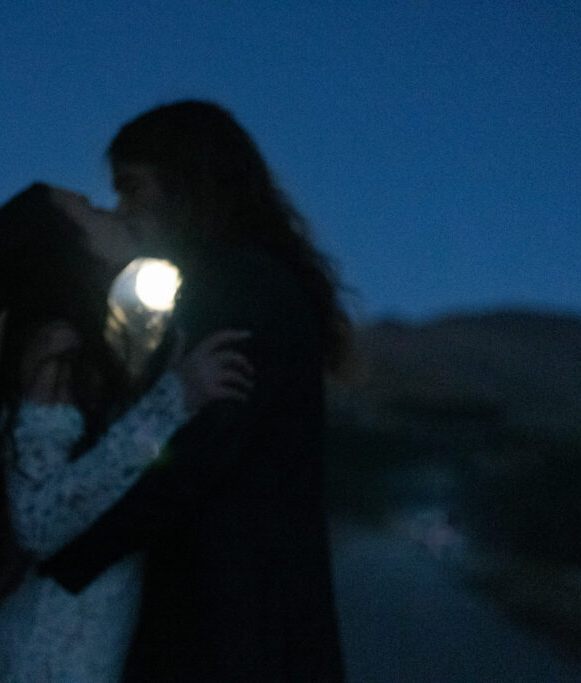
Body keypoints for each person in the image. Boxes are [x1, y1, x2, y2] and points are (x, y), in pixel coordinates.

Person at [39, 101, 352, 681]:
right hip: (244, 619)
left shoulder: (237, 286)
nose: (123, 210)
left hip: (230, 628)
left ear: (187, 181)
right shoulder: (241, 281)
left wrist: (64, 557)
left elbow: (195, 457)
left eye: (132, 188)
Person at [0, 183, 255, 681]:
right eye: (89, 209)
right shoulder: (55, 344)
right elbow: (38, 520)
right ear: (67, 248)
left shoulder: (92, 342)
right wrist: (176, 397)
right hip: (55, 656)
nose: (112, 210)